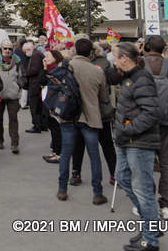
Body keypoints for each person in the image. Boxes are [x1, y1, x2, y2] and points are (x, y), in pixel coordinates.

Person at [112, 42, 161, 251]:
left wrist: (128, 128)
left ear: (125, 58)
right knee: (122, 178)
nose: (112, 59)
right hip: (127, 140)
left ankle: (150, 239)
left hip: (138, 141)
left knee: (143, 190)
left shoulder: (141, 79)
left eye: (114, 56)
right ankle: (150, 225)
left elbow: (150, 112)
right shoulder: (130, 76)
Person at [56, 38, 108, 205]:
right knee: (94, 156)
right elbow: (104, 98)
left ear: (75, 51)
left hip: (68, 116)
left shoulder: (65, 67)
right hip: (90, 116)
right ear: (91, 53)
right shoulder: (97, 71)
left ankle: (62, 189)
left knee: (66, 154)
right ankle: (97, 193)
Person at [70, 40, 121, 187]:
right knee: (90, 145)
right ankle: (79, 173)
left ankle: (111, 174)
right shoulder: (97, 67)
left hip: (88, 112)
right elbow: (104, 94)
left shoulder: (71, 66)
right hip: (92, 111)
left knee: (98, 144)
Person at [141, 34, 168, 219]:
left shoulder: (139, 64)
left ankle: (147, 202)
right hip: (166, 119)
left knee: (143, 161)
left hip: (144, 120)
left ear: (146, 47)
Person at [0, 41, 21, 154]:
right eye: (5, 48)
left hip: (13, 95)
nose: (7, 51)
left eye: (10, 49)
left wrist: (18, 86)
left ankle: (14, 144)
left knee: (13, 119)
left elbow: (23, 76)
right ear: (1, 49)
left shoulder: (18, 61)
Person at [23, 41, 45, 133]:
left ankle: (37, 125)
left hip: (35, 83)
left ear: (29, 49)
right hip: (37, 83)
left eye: (25, 51)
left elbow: (34, 70)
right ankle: (41, 124)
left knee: (34, 106)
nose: (25, 54)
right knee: (38, 106)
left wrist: (24, 73)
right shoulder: (37, 53)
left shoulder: (36, 55)